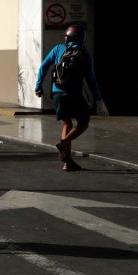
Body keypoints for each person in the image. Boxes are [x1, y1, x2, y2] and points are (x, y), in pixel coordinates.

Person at [34, 25, 108, 171]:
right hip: (73, 93)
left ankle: (67, 162)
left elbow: (43, 67)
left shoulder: (58, 49)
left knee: (66, 123)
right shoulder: (84, 55)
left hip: (57, 93)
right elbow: (91, 80)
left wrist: (38, 86)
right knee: (83, 122)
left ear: (68, 37)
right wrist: (99, 101)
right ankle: (65, 141)